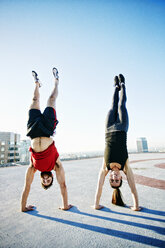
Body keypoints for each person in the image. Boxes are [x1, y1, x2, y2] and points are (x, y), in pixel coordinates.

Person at [21, 68, 72, 212]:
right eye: (48, 181)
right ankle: (56, 81)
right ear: (51, 177)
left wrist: (23, 207)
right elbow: (63, 186)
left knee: (34, 100)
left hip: (33, 130)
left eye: (44, 181)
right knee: (51, 100)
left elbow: (27, 187)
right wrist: (65, 205)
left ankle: (37, 83)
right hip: (48, 129)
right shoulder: (56, 166)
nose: (45, 179)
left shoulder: (33, 168)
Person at [93, 74, 141, 211]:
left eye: (112, 180)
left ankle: (116, 86)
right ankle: (123, 85)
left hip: (108, 129)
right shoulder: (125, 167)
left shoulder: (105, 167)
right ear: (121, 178)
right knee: (121, 104)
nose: (114, 177)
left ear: (109, 178)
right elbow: (133, 186)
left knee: (112, 106)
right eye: (117, 180)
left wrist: (96, 204)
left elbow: (99, 186)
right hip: (122, 127)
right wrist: (136, 206)